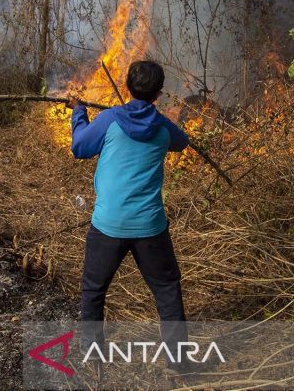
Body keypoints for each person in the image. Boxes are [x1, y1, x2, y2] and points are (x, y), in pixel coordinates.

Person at [66, 60, 190, 371]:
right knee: (167, 291)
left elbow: (79, 147)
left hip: (108, 226)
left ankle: (92, 358)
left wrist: (78, 111)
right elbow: (182, 142)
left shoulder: (109, 119)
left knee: (93, 292)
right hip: (150, 228)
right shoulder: (162, 127)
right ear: (158, 93)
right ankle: (178, 364)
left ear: (126, 87)